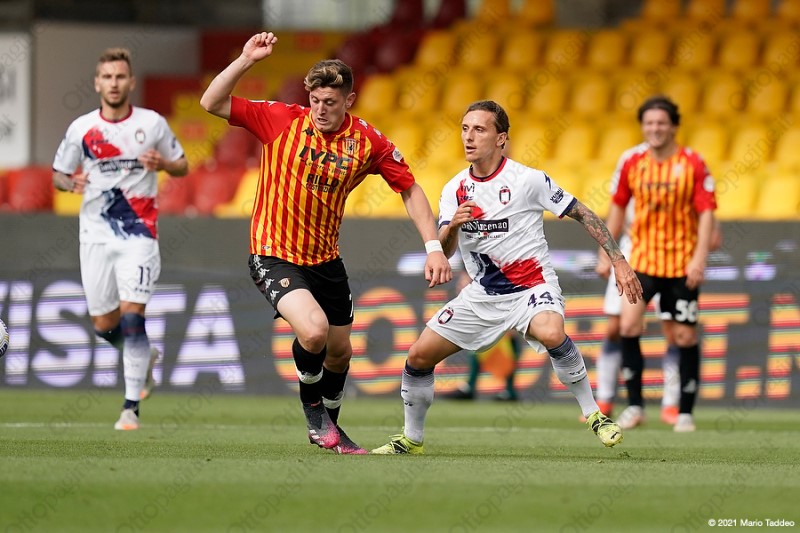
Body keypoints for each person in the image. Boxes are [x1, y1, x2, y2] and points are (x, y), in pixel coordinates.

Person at [199, 32, 451, 454]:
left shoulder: (367, 142)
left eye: (330, 102)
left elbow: (409, 188)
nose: (320, 109)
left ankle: (330, 427)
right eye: (314, 100)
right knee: (313, 331)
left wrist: (433, 247)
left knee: (339, 353)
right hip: (273, 253)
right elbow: (210, 102)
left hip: (325, 259)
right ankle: (315, 415)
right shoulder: (280, 119)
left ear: (348, 100)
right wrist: (246, 60)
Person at [372, 100, 643, 455]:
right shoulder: (454, 188)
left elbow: (583, 213)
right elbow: (446, 249)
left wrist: (619, 260)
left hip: (532, 286)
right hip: (483, 294)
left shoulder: (528, 180)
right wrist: (453, 226)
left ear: (501, 138)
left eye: (479, 129)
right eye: (465, 129)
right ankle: (411, 439)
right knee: (418, 356)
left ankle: (595, 415)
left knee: (551, 332)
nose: (469, 137)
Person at [52, 47, 188, 430]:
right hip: (94, 235)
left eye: (120, 77)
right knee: (104, 325)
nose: (114, 83)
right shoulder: (81, 129)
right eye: (107, 77)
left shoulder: (152, 123)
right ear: (97, 83)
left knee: (132, 317)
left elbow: (182, 165)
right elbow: (58, 174)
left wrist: (164, 164)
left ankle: (130, 408)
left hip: (139, 234)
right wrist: (70, 183)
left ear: (131, 82)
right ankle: (144, 356)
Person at [606, 96, 717, 433]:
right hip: (641, 261)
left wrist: (699, 259)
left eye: (661, 123)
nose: (655, 128)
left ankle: (684, 412)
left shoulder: (693, 163)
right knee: (627, 327)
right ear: (643, 127)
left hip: (681, 265)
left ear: (673, 127)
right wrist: (607, 252)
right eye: (649, 123)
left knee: (683, 335)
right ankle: (635, 406)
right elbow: (617, 207)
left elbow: (707, 213)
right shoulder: (633, 162)